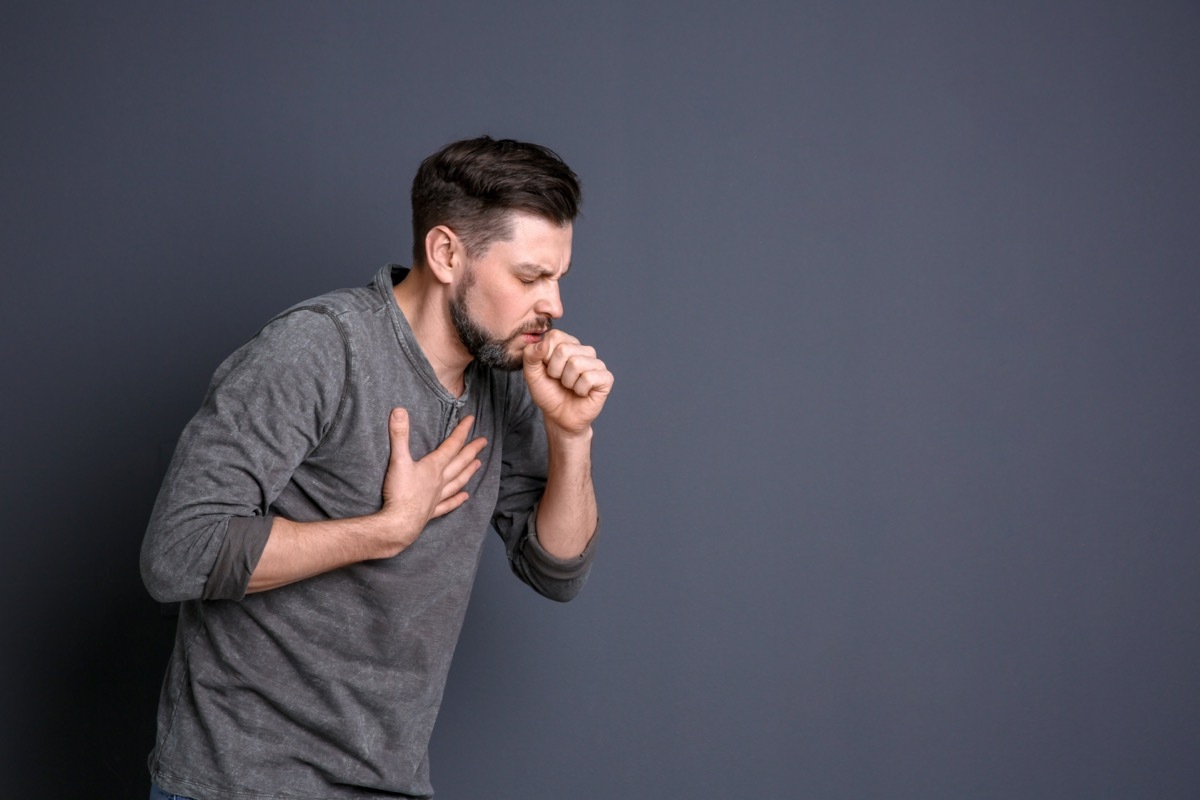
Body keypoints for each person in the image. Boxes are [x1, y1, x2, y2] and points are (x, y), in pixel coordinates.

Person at [140, 136, 612, 800]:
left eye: (559, 277)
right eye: (532, 277)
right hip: (239, 783)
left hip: (386, 783)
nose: (555, 306)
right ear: (446, 254)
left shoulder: (505, 378)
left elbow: (555, 571)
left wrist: (572, 435)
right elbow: (177, 554)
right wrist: (385, 531)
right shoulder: (317, 350)